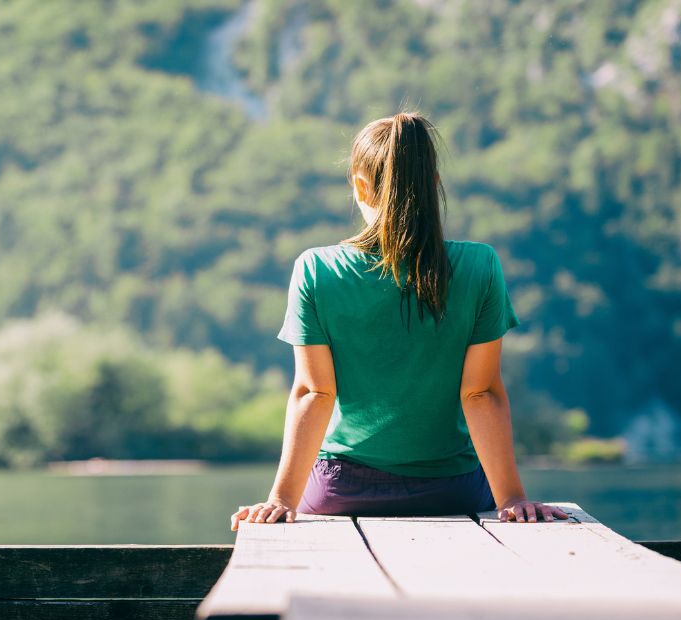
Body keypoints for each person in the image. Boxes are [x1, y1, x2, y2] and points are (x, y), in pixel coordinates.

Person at [231, 111, 566, 531]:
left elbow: (315, 393)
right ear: (435, 184)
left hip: (340, 491)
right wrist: (513, 498)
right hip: (452, 490)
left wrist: (280, 499)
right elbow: (480, 393)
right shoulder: (480, 266)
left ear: (360, 185)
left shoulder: (316, 269)